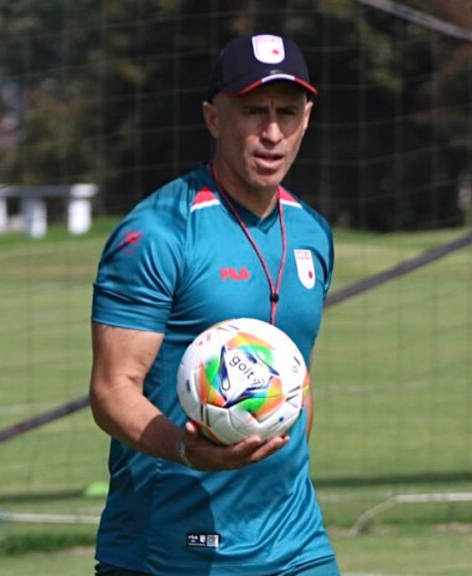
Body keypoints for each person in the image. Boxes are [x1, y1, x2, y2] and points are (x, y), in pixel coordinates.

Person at [89, 33, 338, 575]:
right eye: (252, 111)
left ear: (307, 118)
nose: (272, 133)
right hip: (169, 550)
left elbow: (298, 370)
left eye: (287, 113)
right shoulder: (157, 233)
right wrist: (185, 448)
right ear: (212, 117)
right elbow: (112, 389)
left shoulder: (312, 232)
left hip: (294, 543)